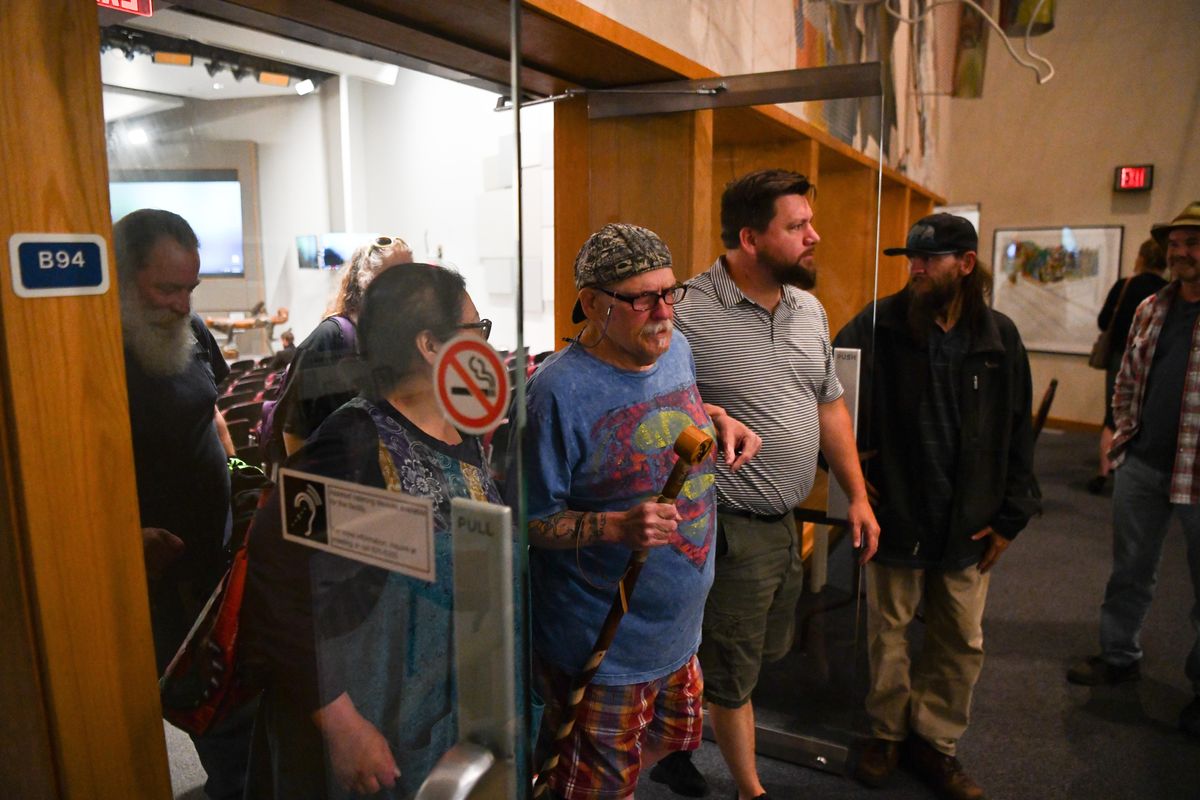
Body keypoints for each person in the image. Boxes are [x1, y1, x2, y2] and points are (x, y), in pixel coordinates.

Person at [514, 223, 759, 800]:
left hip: (676, 633)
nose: (663, 311)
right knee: (594, 787)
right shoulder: (555, 394)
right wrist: (616, 526)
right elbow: (527, 520)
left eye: (670, 292)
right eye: (641, 298)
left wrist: (718, 419)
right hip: (603, 644)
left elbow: (682, 408)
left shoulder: (677, 350)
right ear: (593, 304)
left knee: (668, 742)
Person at [241, 262, 504, 798]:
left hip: (437, 706)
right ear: (431, 345)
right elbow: (277, 574)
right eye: (477, 331)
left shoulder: (461, 430)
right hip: (375, 719)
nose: (487, 345)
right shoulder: (354, 446)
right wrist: (340, 725)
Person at [662, 169, 880, 800]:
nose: (816, 235)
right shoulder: (688, 310)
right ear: (750, 238)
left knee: (757, 653)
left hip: (787, 521)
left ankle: (672, 740)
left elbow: (829, 406)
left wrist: (858, 497)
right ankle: (751, 789)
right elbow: (654, 410)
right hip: (725, 523)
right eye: (798, 226)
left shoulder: (806, 308)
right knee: (733, 670)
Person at [835, 213, 1038, 800]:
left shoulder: (999, 336)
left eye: (930, 259)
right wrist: (848, 475)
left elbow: (1018, 430)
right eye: (911, 259)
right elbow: (822, 391)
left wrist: (1012, 515)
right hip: (896, 508)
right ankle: (886, 734)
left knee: (960, 639)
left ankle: (935, 744)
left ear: (966, 265)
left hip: (970, 521)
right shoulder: (878, 324)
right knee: (888, 633)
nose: (916, 269)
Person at [114, 208, 252, 800]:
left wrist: (239, 469)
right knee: (208, 714)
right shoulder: (93, 356)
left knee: (237, 704)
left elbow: (212, 410)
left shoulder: (189, 329)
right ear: (121, 277)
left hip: (217, 560)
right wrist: (125, 535)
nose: (181, 304)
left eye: (190, 289)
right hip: (159, 580)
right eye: (166, 288)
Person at [1068, 201, 1200, 739]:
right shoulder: (1152, 306)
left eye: (1192, 243)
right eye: (1174, 243)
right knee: (1130, 570)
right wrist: (1124, 435)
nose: (1181, 252)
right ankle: (1120, 654)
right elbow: (1127, 378)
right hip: (1144, 464)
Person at [272, 235, 413, 460]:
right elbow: (294, 432)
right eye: (395, 278)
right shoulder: (329, 339)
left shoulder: (399, 341)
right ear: (367, 281)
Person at [1087, 238, 1168, 494]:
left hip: (1119, 359)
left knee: (1113, 416)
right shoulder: (1169, 290)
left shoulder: (1125, 285)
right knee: (1144, 415)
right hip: (1155, 362)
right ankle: (1137, 472)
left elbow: (1104, 322)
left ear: (1141, 257)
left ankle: (1103, 473)